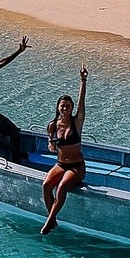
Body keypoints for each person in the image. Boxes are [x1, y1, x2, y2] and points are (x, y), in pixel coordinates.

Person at [40, 67, 87, 236]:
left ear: (71, 108)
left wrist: (83, 81)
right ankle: (53, 219)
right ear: (58, 107)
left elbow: (82, 102)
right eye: (62, 106)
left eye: (68, 106)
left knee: (61, 188)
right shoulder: (52, 126)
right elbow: (51, 145)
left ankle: (49, 222)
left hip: (76, 167)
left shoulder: (77, 122)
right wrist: (51, 146)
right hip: (60, 164)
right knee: (46, 185)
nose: (65, 108)